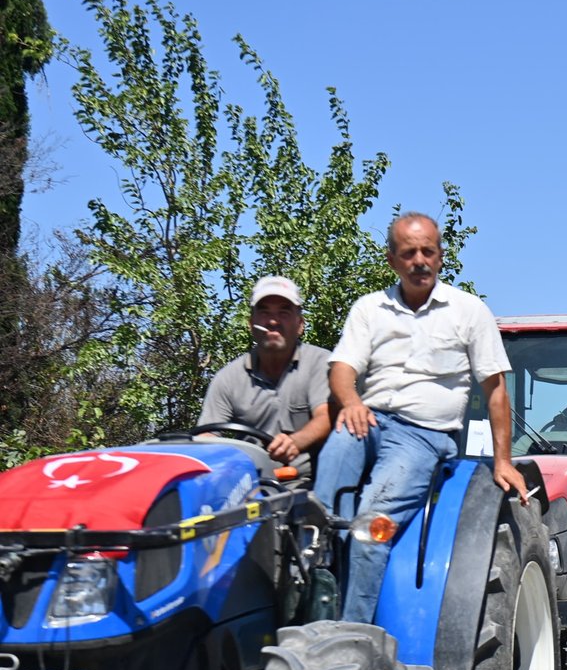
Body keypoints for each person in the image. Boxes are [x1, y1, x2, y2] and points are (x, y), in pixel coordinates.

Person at [315, 212, 529, 625]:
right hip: (367, 421)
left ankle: (351, 636)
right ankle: (314, 606)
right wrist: (352, 401)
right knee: (318, 518)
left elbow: (496, 390)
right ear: (392, 259)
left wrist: (502, 460)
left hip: (423, 435)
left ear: (440, 257)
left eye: (427, 251)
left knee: (369, 527)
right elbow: (341, 369)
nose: (419, 261)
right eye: (409, 252)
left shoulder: (468, 311)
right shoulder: (369, 309)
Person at [198, 275, 331, 471]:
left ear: (300, 324)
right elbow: (206, 437)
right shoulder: (228, 377)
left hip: (311, 486)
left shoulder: (320, 362)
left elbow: (328, 416)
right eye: (264, 312)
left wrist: (295, 441)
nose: (273, 321)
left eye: (284, 312)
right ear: (251, 324)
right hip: (249, 489)